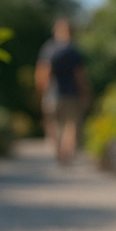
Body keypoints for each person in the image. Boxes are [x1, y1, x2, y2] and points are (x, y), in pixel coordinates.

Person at [35, 18, 92, 163]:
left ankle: (59, 150)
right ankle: (66, 151)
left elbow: (43, 72)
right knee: (71, 125)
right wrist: (85, 93)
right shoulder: (74, 51)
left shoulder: (48, 48)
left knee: (52, 124)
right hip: (71, 94)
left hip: (52, 94)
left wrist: (41, 91)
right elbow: (79, 76)